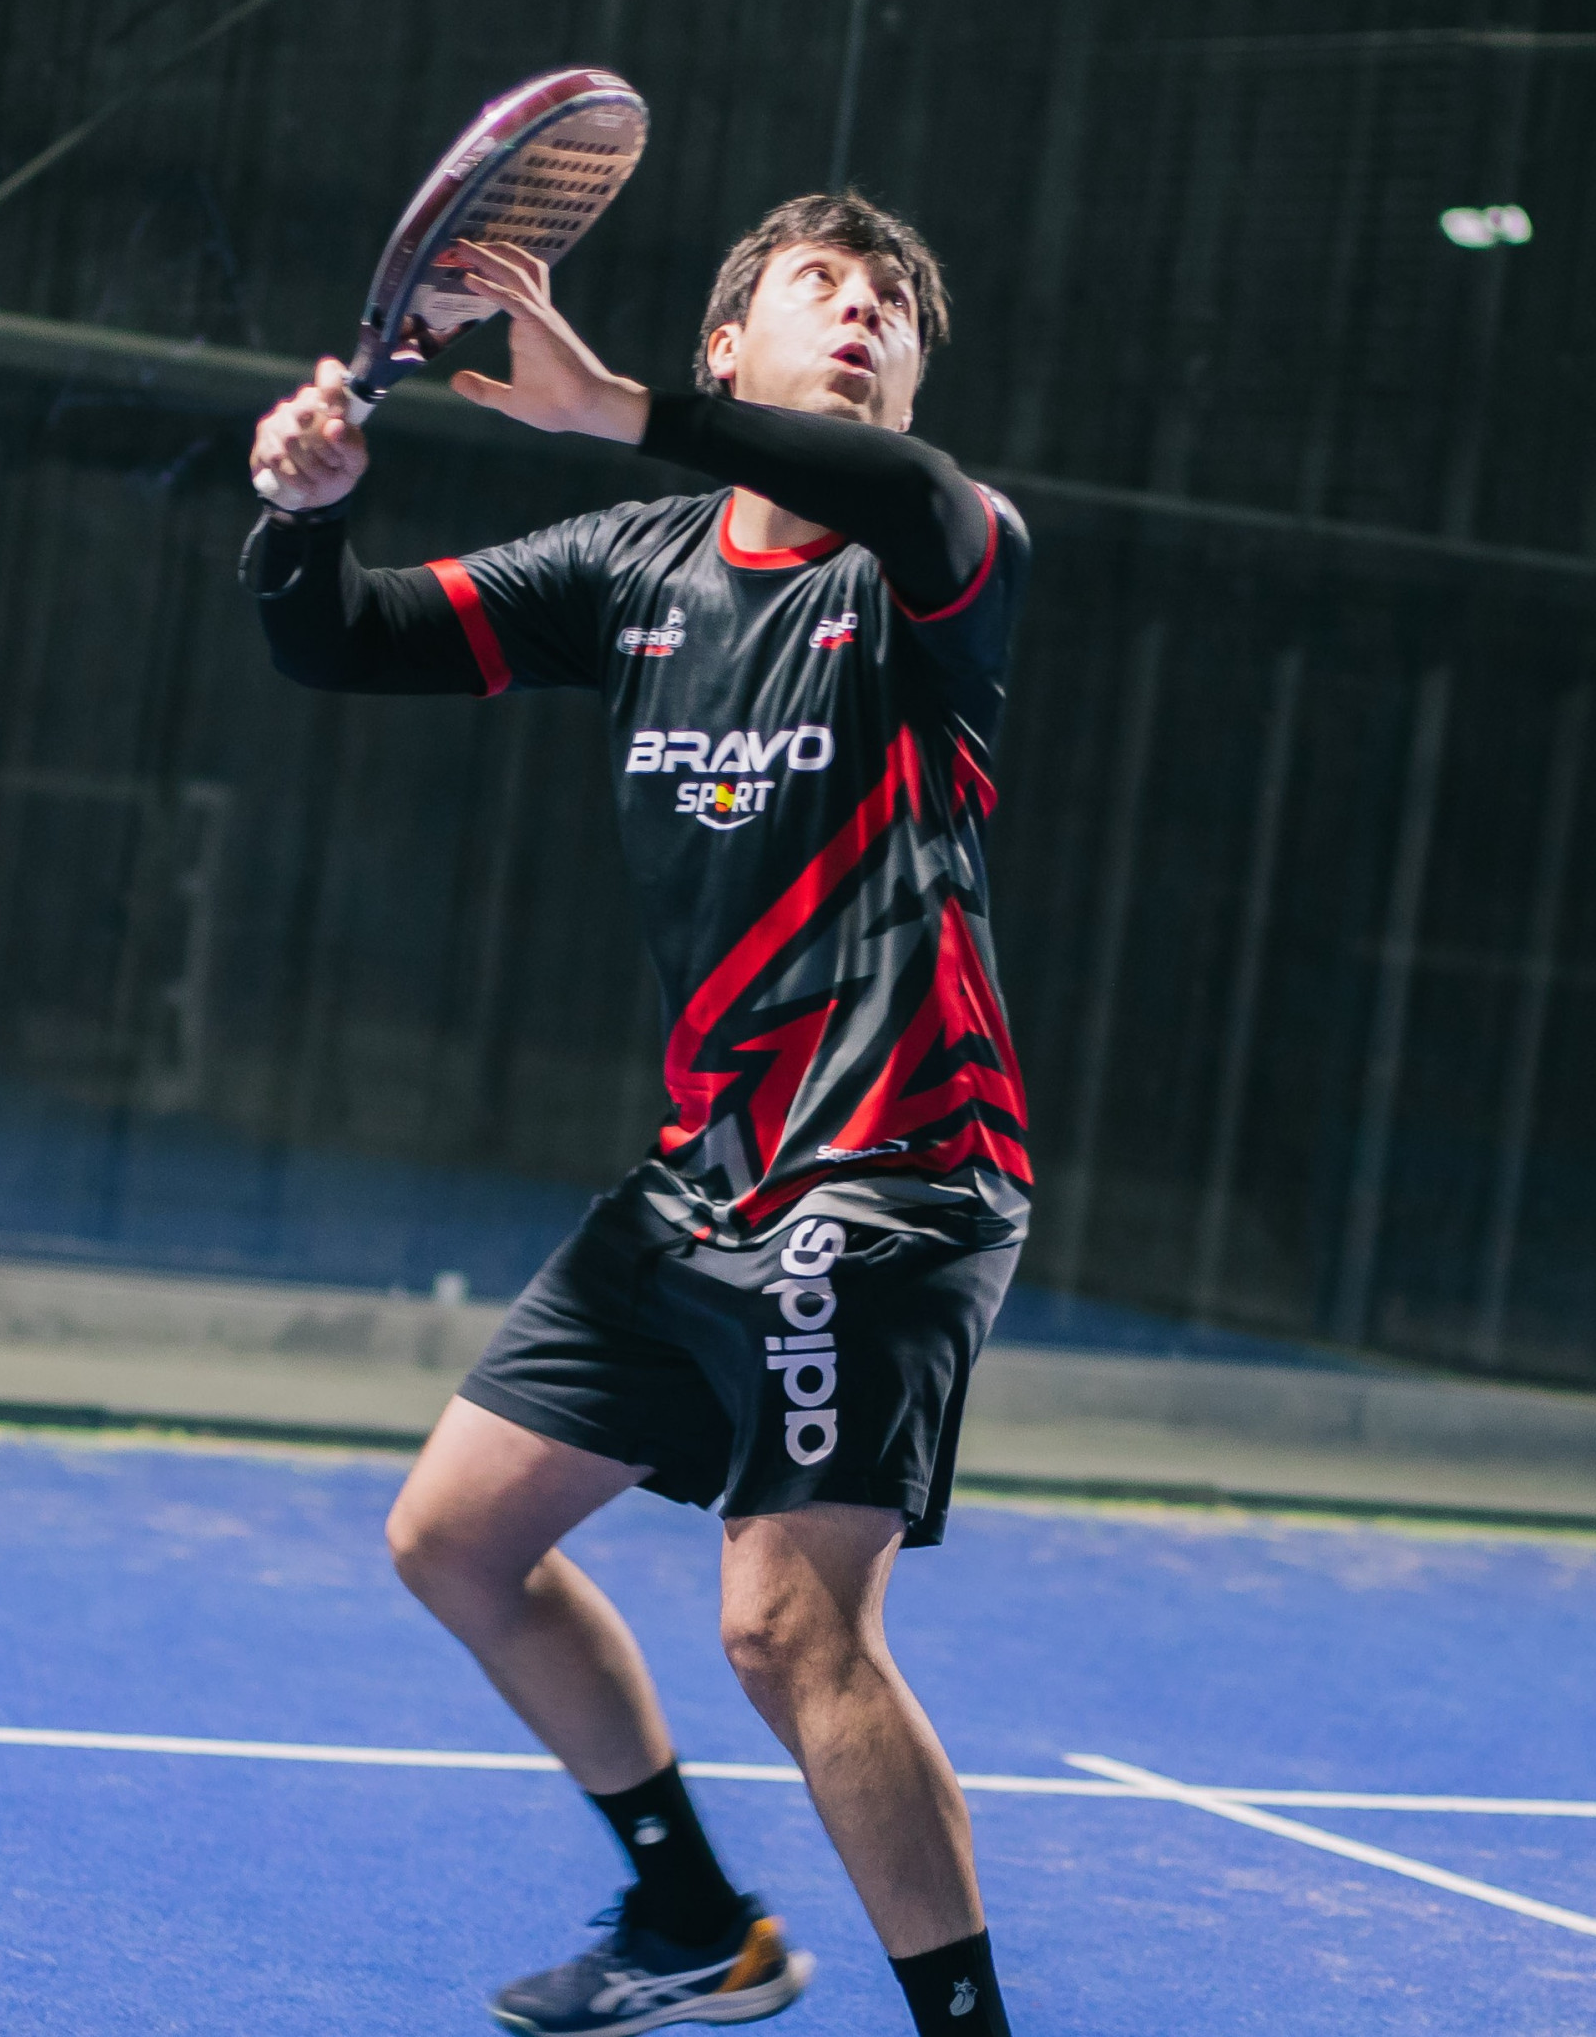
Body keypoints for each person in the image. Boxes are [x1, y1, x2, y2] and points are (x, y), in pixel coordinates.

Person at [245, 191, 1032, 2037]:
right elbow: (341, 638)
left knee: (786, 1623)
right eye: (819, 286)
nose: (863, 313)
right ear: (726, 347)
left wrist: (608, 407)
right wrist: (305, 511)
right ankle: (691, 1916)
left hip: (893, 1169)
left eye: (894, 305)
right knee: (453, 1536)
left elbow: (912, 495)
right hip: (708, 1182)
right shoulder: (632, 568)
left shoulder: (943, 554)